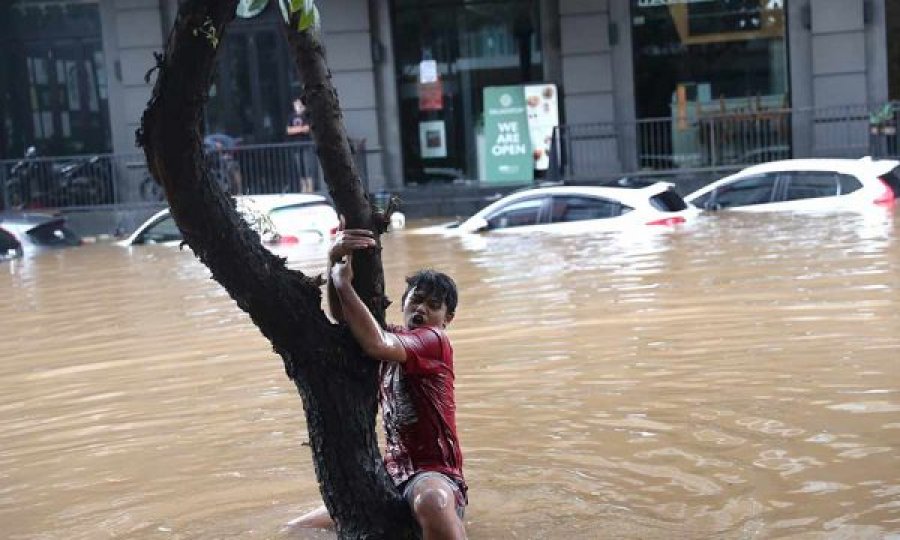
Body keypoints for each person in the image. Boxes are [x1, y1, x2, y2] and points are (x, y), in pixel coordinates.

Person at [288, 227, 467, 539]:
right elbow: (348, 321)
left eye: (434, 306)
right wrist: (334, 262)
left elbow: (375, 343)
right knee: (297, 529)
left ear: (446, 319)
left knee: (433, 502)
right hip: (389, 475)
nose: (422, 309)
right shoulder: (394, 337)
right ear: (403, 303)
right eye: (417, 300)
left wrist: (344, 283)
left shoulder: (434, 340)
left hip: (434, 475)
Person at [285, 97, 314, 193]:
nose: (297, 106)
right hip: (296, 146)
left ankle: (310, 187)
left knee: (307, 166)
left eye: (299, 104)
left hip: (305, 145)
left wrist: (296, 129)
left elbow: (307, 128)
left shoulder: (306, 116)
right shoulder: (291, 117)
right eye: (296, 104)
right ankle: (303, 187)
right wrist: (300, 129)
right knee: (299, 167)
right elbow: (288, 130)